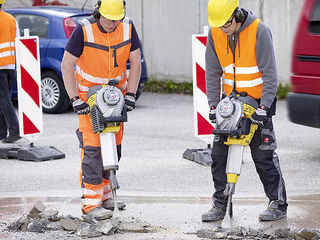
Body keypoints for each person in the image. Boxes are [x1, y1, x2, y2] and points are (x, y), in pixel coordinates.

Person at [202, 0, 288, 222]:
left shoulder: (259, 31)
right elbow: (212, 72)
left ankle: (277, 202)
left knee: (263, 155)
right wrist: (213, 105)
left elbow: (270, 73)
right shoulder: (216, 32)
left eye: (227, 24)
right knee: (219, 156)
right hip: (229, 105)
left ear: (238, 15)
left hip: (258, 104)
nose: (224, 29)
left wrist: (264, 107)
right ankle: (221, 204)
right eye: (219, 25)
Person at [61, 0, 141, 221]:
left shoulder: (127, 27)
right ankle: (90, 204)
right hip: (90, 102)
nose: (112, 25)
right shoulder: (83, 30)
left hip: (116, 100)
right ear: (98, 13)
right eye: (107, 20)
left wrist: (131, 94)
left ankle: (106, 196)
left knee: (114, 149)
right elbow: (67, 64)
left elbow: (135, 61)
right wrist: (74, 99)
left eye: (116, 20)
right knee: (93, 152)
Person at [0, 0, 21, 144]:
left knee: (4, 100)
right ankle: (2, 132)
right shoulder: (11, 19)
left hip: (0, 66)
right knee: (3, 100)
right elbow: (18, 40)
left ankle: (15, 131)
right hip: (10, 66)